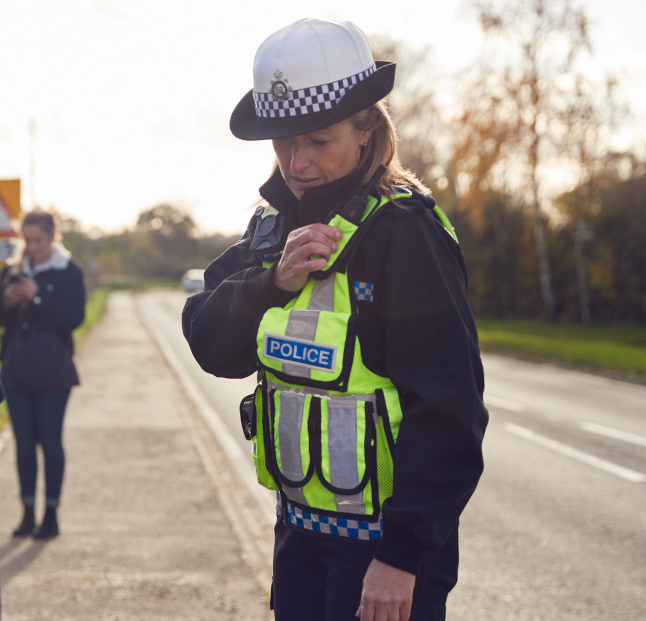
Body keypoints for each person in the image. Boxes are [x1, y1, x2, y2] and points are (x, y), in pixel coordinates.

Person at [181, 19, 488, 621]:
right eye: (283, 143)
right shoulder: (271, 228)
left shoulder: (407, 233)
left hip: (385, 556)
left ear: (366, 126)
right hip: (298, 538)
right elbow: (211, 345)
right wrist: (270, 284)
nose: (297, 163)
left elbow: (450, 409)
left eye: (318, 141)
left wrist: (401, 558)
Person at [0, 210, 85, 540]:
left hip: (54, 370)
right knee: (24, 445)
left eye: (38, 240)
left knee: (50, 441)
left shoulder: (68, 271)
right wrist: (8, 299)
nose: (32, 246)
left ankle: (51, 514)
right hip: (16, 369)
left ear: (53, 236)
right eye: (26, 240)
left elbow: (73, 318)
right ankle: (27, 513)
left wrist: (37, 297)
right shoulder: (13, 270)